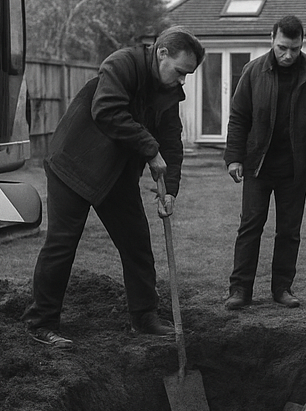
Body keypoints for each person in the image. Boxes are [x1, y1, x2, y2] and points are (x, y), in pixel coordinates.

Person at [24, 27, 204, 348]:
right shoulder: (122, 64)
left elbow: (172, 143)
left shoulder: (167, 91)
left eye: (186, 75)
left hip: (117, 174)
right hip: (75, 162)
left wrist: (170, 189)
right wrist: (150, 149)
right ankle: (42, 322)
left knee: (136, 242)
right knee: (62, 244)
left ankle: (144, 317)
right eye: (180, 71)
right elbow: (106, 110)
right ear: (161, 53)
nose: (182, 80)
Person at [222, 15, 306, 310]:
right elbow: (239, 117)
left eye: (295, 48)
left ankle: (282, 288)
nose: (288, 54)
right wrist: (234, 157)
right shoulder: (253, 72)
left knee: (289, 230)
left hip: (295, 167)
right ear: (271, 39)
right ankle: (240, 290)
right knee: (250, 225)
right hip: (258, 165)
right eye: (282, 48)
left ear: (302, 43)